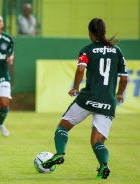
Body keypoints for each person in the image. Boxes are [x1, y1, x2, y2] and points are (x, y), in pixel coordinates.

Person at [41, 18, 128, 179]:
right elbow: (123, 79)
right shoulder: (117, 51)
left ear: (90, 32)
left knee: (63, 127)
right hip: (108, 102)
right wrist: (120, 93)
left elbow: (81, 68)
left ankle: (59, 153)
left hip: (88, 98)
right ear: (104, 31)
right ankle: (104, 166)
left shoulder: (87, 49)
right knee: (97, 141)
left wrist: (75, 87)